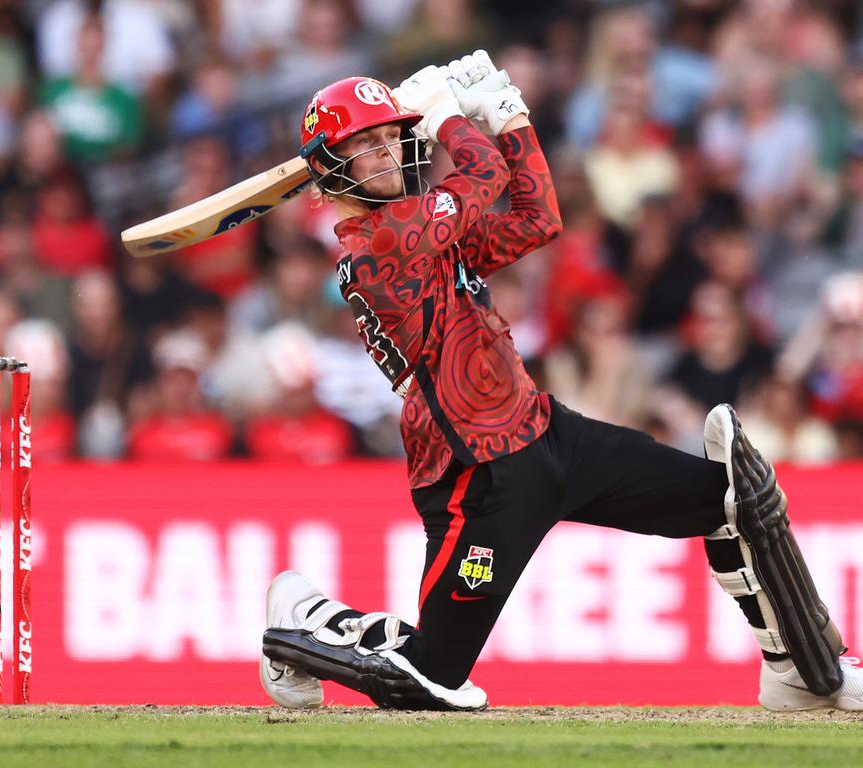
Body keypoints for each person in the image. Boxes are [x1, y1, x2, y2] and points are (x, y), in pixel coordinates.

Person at [258, 51, 863, 712]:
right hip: (477, 475)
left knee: (730, 501)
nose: (384, 152)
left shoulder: (427, 230)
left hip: (547, 436)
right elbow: (483, 177)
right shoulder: (382, 237)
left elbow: (537, 217)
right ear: (330, 167)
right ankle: (304, 623)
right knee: (434, 680)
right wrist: (453, 120)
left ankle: (802, 668)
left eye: (387, 138)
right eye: (364, 145)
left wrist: (510, 116)